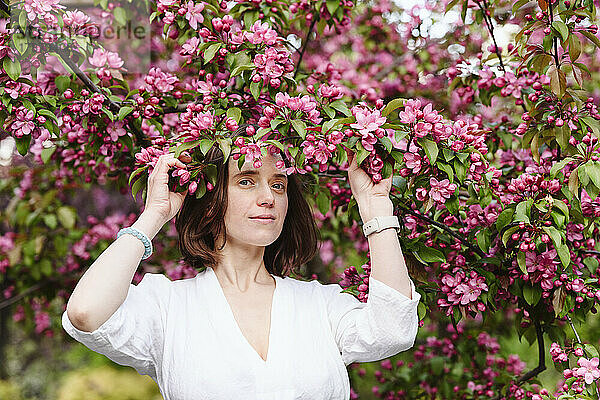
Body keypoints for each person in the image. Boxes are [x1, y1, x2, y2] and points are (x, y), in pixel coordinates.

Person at [61, 142, 421, 400]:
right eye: (247, 181)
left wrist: (376, 210)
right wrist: (154, 215)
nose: (269, 196)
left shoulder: (319, 306)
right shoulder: (168, 307)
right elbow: (85, 313)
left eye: (278, 185)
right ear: (208, 204)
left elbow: (394, 329)